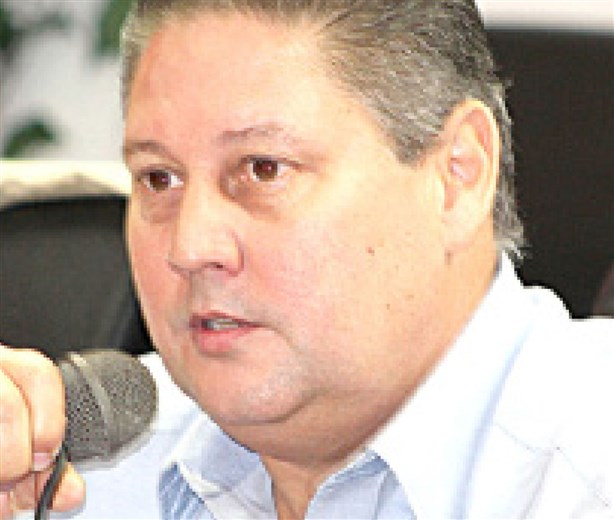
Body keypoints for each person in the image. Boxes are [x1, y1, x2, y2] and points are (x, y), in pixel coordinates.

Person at [1, 0, 613, 518]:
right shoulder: (64, 471)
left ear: (457, 175)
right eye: (159, 178)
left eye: (263, 169)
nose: (189, 247)